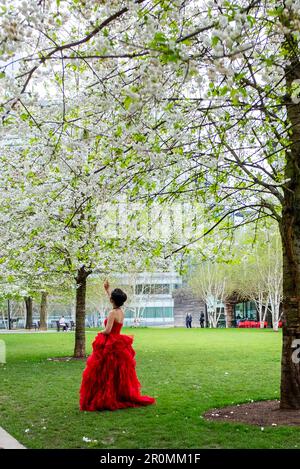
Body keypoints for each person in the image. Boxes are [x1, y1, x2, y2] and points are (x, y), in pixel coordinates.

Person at [79, 280, 156, 411]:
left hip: (110, 343)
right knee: (117, 373)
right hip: (118, 343)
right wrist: (107, 290)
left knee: (105, 373)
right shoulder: (120, 312)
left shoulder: (112, 313)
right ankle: (118, 395)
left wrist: (99, 332)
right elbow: (114, 303)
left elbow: (108, 331)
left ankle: (107, 397)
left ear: (112, 300)